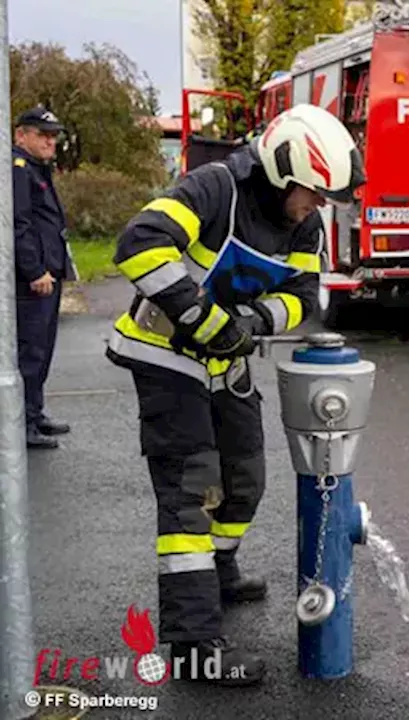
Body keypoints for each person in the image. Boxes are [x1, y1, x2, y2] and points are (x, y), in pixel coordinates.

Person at [105, 104, 365, 686]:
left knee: (245, 478)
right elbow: (139, 243)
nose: (316, 206)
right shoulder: (214, 187)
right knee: (192, 491)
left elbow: (304, 294)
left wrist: (249, 324)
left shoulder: (302, 224)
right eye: (312, 193)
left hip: (226, 358)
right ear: (281, 171)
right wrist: (201, 317)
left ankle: (219, 571)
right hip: (165, 353)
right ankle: (194, 643)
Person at [12, 105, 74, 450]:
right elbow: (19, 225)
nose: (51, 141)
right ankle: (21, 425)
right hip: (34, 279)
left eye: (53, 136)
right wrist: (34, 270)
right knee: (30, 353)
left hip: (48, 273)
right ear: (21, 134)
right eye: (43, 134)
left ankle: (34, 414)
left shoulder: (35, 168)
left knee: (43, 350)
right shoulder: (18, 169)